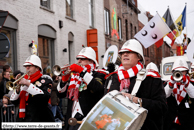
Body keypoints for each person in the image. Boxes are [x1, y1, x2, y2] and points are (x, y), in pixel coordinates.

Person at [104, 39, 167, 130]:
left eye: (129, 52)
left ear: (139, 57)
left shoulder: (151, 79)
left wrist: (137, 101)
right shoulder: (111, 78)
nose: (125, 54)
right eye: (122, 53)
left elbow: (162, 108)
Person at [58, 47, 106, 130]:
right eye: (78, 59)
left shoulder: (99, 74)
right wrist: (64, 80)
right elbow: (60, 95)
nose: (79, 61)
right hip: (71, 121)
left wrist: (82, 71)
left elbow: (98, 88)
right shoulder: (74, 77)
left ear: (91, 60)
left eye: (82, 59)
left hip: (87, 121)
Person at [10, 54, 55, 122]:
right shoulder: (24, 80)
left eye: (30, 66)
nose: (27, 68)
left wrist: (28, 84)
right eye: (26, 66)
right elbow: (13, 101)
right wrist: (17, 88)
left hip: (40, 118)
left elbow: (44, 97)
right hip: (24, 119)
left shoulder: (45, 80)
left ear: (37, 68)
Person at [163, 58, 194, 130]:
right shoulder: (168, 83)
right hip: (171, 122)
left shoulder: (191, 84)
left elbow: (193, 95)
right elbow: (164, 96)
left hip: (187, 123)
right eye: (178, 71)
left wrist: (186, 83)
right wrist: (171, 84)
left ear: (186, 71)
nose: (180, 73)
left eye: (183, 71)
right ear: (173, 71)